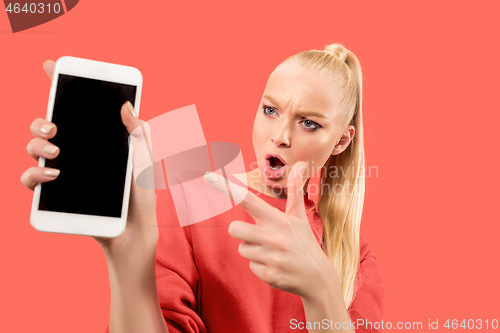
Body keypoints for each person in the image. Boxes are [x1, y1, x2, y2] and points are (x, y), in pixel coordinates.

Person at [21, 43, 385, 333]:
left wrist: (322, 291)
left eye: (308, 123)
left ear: (341, 141)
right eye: (270, 110)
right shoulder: (192, 202)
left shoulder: (358, 259)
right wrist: (128, 259)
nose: (280, 136)